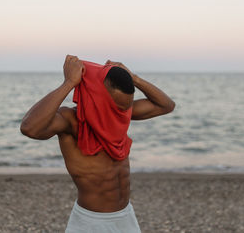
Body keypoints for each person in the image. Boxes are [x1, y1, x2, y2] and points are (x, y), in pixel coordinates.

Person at [20, 55, 175, 232]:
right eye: (117, 106)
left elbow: (166, 105)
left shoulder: (120, 115)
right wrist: (69, 83)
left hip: (126, 216)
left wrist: (134, 78)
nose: (122, 112)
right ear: (97, 95)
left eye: (125, 107)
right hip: (90, 221)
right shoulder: (70, 120)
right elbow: (29, 128)